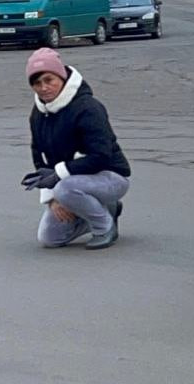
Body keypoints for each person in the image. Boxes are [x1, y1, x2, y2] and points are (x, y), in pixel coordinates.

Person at [21, 48, 131, 250]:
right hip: (71, 184)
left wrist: (59, 177)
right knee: (49, 238)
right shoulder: (38, 114)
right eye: (37, 83)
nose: (44, 88)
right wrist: (52, 198)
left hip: (111, 177)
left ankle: (104, 227)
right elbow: (39, 158)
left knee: (66, 188)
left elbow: (101, 156)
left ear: (62, 78)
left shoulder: (88, 108)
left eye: (49, 80)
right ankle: (103, 211)